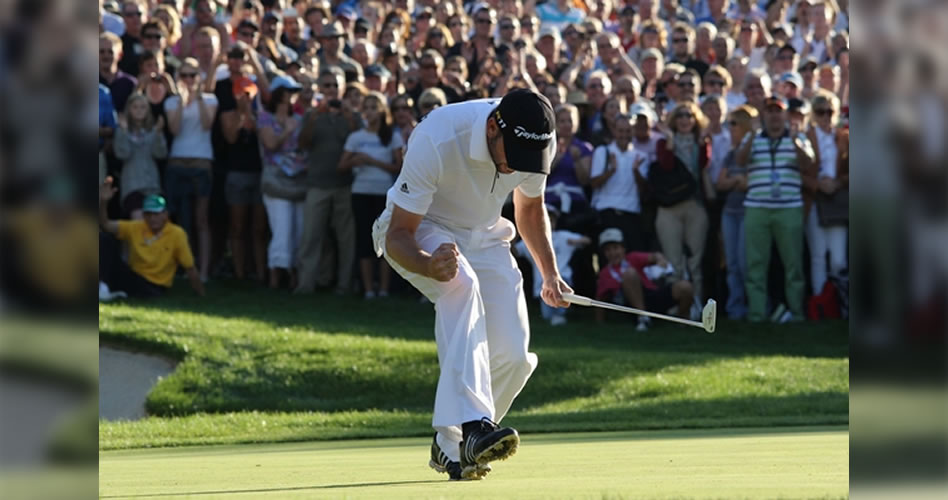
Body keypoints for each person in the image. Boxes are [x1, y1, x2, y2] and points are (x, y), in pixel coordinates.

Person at [372, 89, 571, 481]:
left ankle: (452, 444)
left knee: (514, 355)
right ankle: (475, 426)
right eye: (511, 156)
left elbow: (529, 208)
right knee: (462, 286)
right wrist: (429, 266)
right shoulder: (438, 136)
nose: (517, 169)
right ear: (493, 128)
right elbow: (398, 234)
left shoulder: (534, 139)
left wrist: (549, 272)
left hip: (484, 234)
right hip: (424, 229)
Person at [736, 96, 814, 322]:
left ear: (785, 115)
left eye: (778, 111)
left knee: (793, 265)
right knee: (756, 264)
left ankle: (796, 313)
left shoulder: (797, 137)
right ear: (763, 115)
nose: (774, 116)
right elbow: (740, 160)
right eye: (769, 111)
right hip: (757, 208)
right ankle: (757, 314)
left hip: (789, 208)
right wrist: (751, 134)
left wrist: (795, 141)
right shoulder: (754, 138)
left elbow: (808, 163)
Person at [294, 66, 359, 294]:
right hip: (317, 184)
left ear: (342, 88)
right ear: (321, 88)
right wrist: (314, 118)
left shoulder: (354, 115)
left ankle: (344, 285)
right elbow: (302, 144)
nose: (331, 89)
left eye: (335, 85)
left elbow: (360, 140)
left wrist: (349, 117)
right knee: (311, 237)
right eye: (327, 85)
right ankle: (306, 284)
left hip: (345, 185)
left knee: (345, 239)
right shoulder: (312, 115)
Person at [338, 91, 404, 299]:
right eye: (365, 108)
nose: (369, 112)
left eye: (373, 107)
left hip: (383, 194)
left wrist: (372, 161)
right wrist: (354, 161)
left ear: (383, 111)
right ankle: (368, 289)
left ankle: (383, 289)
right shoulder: (356, 137)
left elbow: (398, 168)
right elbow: (341, 166)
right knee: (364, 241)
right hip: (361, 192)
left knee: (383, 240)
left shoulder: (392, 136)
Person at [99, 179, 205, 298]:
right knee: (104, 238)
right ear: (144, 215)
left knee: (144, 289)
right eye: (148, 214)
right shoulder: (137, 226)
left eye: (156, 214)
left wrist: (201, 294)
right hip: (133, 276)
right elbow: (105, 225)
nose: (152, 218)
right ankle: (103, 286)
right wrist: (103, 202)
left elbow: (190, 267)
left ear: (165, 214)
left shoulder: (177, 233)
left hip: (155, 285)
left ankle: (115, 291)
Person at [654, 102, 713, 308]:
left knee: (695, 261)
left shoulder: (700, 143)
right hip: (670, 207)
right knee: (674, 262)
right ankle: (677, 306)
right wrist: (670, 140)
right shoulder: (663, 143)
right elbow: (667, 166)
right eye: (680, 115)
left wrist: (702, 142)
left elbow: (703, 165)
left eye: (689, 115)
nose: (685, 119)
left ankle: (696, 307)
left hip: (694, 205)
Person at [164, 58, 218, 283]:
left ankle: (202, 271)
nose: (188, 80)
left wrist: (197, 99)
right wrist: (181, 101)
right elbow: (175, 129)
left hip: (201, 162)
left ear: (200, 77)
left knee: (201, 219)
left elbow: (207, 124)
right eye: (184, 75)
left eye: (192, 75)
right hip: (177, 161)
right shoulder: (171, 102)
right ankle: (175, 269)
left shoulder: (210, 99)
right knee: (175, 218)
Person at [258, 75, 308, 289]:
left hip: (298, 179)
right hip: (276, 181)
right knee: (281, 228)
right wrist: (287, 132)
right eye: (287, 92)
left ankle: (295, 275)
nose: (291, 97)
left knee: (298, 229)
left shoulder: (300, 118)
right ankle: (276, 276)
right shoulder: (265, 118)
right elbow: (270, 144)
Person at [594, 227, 694, 330]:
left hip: (652, 294)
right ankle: (642, 317)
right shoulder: (605, 273)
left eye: (616, 248)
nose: (613, 253)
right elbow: (600, 298)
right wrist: (600, 323)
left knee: (685, 287)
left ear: (623, 248)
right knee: (629, 273)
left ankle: (683, 321)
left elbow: (655, 256)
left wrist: (661, 260)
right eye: (608, 250)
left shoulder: (632, 258)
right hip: (631, 306)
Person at [803, 89, 848, 297]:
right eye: (820, 111)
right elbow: (797, 171)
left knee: (839, 258)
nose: (825, 116)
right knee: (818, 255)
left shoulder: (844, 137)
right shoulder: (805, 138)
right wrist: (817, 184)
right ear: (813, 114)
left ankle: (839, 300)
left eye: (829, 111)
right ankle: (820, 303)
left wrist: (838, 182)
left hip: (836, 200)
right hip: (814, 199)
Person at [514, 204, 590, 326]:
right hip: (542, 284)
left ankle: (561, 314)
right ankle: (558, 314)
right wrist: (513, 238)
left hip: (563, 278)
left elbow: (587, 240)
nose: (548, 222)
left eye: (551, 219)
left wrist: (577, 241)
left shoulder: (564, 236)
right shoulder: (530, 240)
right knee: (547, 316)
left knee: (559, 303)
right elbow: (515, 251)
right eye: (546, 218)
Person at [715, 104, 758, 319]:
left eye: (734, 124)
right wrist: (737, 180)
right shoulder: (730, 155)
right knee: (731, 263)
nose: (730, 129)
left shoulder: (754, 152)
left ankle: (754, 308)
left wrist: (737, 181)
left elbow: (748, 183)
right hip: (729, 213)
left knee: (744, 263)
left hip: (747, 213)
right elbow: (720, 183)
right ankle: (735, 309)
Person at [589, 113, 649, 251]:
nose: (624, 135)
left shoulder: (641, 157)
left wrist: (636, 171)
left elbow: (644, 190)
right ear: (614, 131)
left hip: (632, 214)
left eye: (628, 131)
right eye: (621, 131)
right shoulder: (602, 152)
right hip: (607, 212)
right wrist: (611, 171)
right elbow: (594, 183)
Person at [114, 93, 168, 220]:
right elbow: (123, 154)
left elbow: (160, 154)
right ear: (129, 109)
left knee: (155, 222)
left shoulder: (153, 130)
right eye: (135, 107)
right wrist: (124, 131)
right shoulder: (121, 129)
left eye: (143, 107)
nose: (139, 110)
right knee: (138, 224)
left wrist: (158, 134)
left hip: (152, 185)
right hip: (132, 186)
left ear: (148, 110)